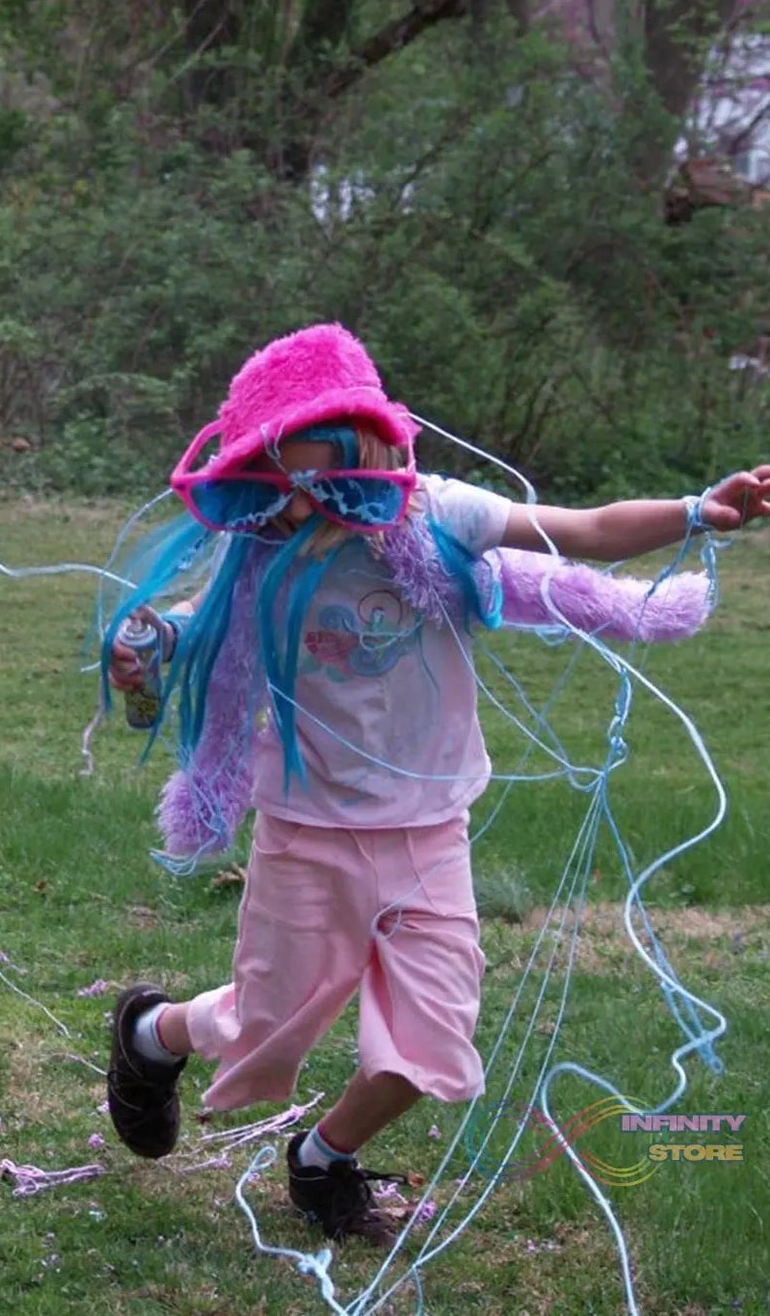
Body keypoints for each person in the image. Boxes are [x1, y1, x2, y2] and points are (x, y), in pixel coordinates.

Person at [100, 323, 769, 1244]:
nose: (305, 508)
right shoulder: (259, 548)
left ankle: (321, 1159)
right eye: (281, 488)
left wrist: (695, 511)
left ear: (370, 454)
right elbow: (203, 616)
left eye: (327, 484)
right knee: (264, 1019)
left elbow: (583, 529)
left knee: (431, 1044)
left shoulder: (439, 513)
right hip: (305, 833)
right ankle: (148, 1035)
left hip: (427, 834)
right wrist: (153, 643)